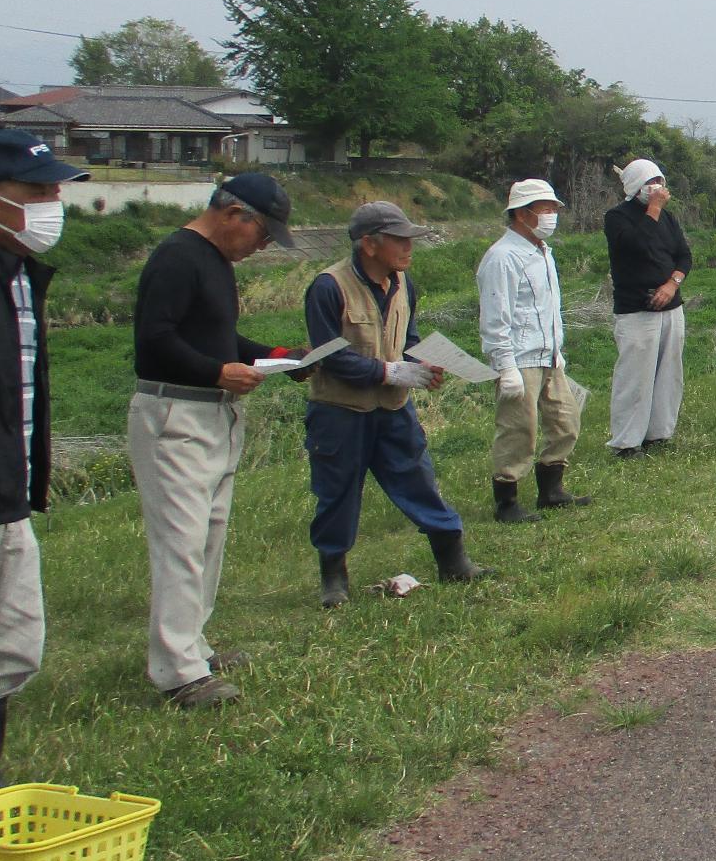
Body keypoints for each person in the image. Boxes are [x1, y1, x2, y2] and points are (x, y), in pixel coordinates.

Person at [131, 173, 293, 709]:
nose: (262, 246)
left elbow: (218, 336)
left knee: (208, 535)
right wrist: (215, 371)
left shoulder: (216, 264)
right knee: (181, 541)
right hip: (175, 412)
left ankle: (193, 644)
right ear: (233, 214)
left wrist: (271, 356)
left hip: (215, 415)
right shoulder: (178, 257)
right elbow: (155, 337)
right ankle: (178, 671)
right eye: (263, 235)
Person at [303, 202, 489, 608]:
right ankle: (333, 579)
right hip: (339, 410)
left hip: (393, 408)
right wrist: (390, 372)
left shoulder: (405, 283)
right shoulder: (327, 287)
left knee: (419, 481)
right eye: (399, 240)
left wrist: (419, 364)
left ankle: (453, 560)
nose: (409, 248)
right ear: (369, 244)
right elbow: (328, 355)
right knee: (337, 493)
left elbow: (408, 338)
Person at [0, 132, 87, 777]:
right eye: (35, 193)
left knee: (14, 649)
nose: (52, 204)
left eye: (55, 191)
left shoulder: (23, 276)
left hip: (9, 497)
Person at [477, 179, 589, 521]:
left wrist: (558, 350)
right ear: (523, 214)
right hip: (520, 359)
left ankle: (551, 490)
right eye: (546, 209)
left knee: (566, 421)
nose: (552, 216)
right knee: (518, 430)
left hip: (549, 356)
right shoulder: (502, 257)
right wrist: (505, 366)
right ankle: (506, 501)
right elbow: (497, 316)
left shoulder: (541, 252)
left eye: (554, 209)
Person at [603, 159, 691, 458]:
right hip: (636, 310)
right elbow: (636, 245)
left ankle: (659, 433)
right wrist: (652, 209)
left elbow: (684, 256)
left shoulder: (668, 219)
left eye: (660, 181)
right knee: (635, 375)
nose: (657, 188)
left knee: (669, 372)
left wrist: (672, 284)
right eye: (650, 182)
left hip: (670, 306)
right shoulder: (617, 217)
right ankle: (626, 442)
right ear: (635, 187)